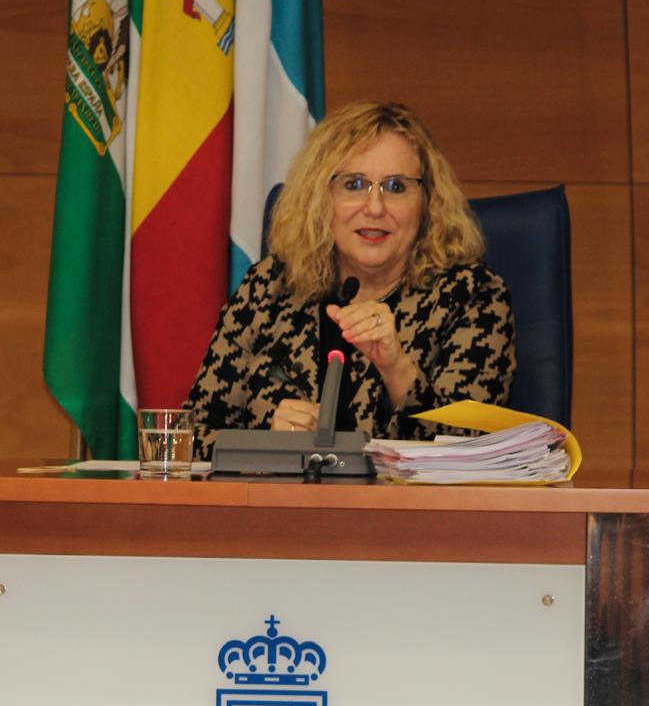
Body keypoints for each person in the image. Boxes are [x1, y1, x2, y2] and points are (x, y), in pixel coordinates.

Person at [184, 100, 515, 458]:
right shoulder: (270, 287)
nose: (375, 207)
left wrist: (397, 370)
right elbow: (191, 438)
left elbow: (475, 451)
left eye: (396, 187)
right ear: (320, 197)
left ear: (427, 201)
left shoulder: (472, 297)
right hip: (280, 495)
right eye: (354, 184)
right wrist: (267, 444)